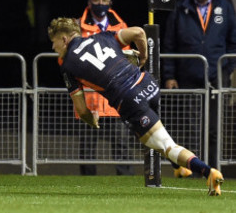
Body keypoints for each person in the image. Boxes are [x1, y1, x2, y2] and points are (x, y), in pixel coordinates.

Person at [48, 17, 224, 195]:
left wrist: (91, 120)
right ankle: (179, 168)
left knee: (164, 145)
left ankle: (208, 172)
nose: (53, 48)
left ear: (64, 39)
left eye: (53, 42)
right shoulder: (103, 36)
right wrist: (144, 56)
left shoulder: (68, 66)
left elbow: (81, 109)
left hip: (129, 99)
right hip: (148, 83)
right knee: (151, 135)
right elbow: (139, 32)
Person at [162, 0, 236, 171]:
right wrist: (169, 75)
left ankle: (213, 170)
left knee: (213, 128)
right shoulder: (181, 8)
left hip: (216, 76)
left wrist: (228, 68)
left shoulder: (225, 7)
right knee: (192, 128)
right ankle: (195, 170)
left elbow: (233, 41)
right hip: (189, 75)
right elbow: (169, 44)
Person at [77, 0, 133, 176]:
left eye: (103, 1)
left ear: (110, 3)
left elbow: (128, 58)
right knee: (87, 148)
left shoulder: (121, 27)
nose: (100, 4)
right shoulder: (77, 27)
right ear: (89, 3)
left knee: (121, 145)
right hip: (89, 98)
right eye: (96, 1)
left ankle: (125, 181)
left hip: (115, 98)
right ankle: (86, 183)